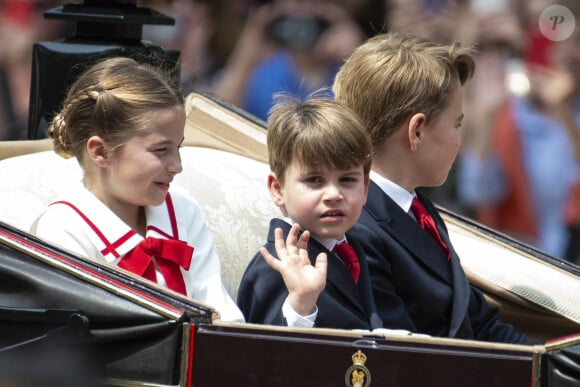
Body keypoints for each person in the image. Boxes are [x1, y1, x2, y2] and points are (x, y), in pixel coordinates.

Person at [333, 32, 528, 343]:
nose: (459, 141)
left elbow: (477, 320)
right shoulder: (354, 229)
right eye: (457, 125)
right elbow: (409, 355)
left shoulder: (419, 210)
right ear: (417, 131)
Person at [30, 57, 244, 322]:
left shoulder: (184, 213)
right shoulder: (63, 228)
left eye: (178, 148)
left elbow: (222, 317)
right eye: (161, 150)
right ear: (101, 152)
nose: (177, 166)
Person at [237, 95, 384, 330]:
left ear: (365, 188)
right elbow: (262, 355)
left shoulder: (356, 246)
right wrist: (300, 304)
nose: (333, 194)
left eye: (347, 180)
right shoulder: (275, 266)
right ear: (278, 189)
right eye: (315, 180)